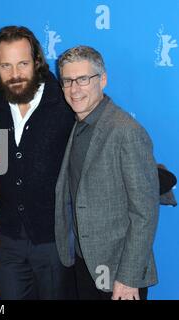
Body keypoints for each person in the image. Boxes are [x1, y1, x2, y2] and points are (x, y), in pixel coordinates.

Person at [55, 45, 160, 300]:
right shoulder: (78, 124)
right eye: (67, 81)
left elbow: (144, 213)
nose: (74, 89)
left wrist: (128, 279)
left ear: (102, 80)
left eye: (83, 79)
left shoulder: (126, 131)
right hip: (83, 263)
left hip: (118, 274)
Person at [0, 26, 76, 299]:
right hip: (9, 239)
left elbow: (103, 132)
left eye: (22, 64)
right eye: (6, 66)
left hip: (54, 240)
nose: (15, 75)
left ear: (36, 61)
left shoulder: (65, 99)